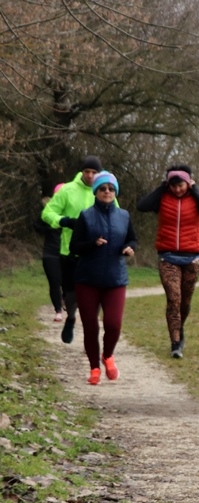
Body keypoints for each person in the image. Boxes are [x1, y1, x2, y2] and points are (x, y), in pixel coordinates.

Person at [137, 165, 199, 359]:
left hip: (193, 257)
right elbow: (142, 206)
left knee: (185, 301)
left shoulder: (197, 198)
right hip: (168, 256)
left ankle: (179, 328)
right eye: (173, 185)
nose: (177, 189)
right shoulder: (162, 197)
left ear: (188, 183)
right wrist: (161, 188)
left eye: (181, 185)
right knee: (174, 298)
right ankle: (175, 342)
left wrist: (195, 189)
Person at [69, 171, 137, 385]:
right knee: (91, 327)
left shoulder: (124, 216)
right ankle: (94, 368)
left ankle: (107, 355)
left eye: (111, 189)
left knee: (113, 325)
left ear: (115, 192)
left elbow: (133, 239)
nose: (107, 192)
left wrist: (130, 248)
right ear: (96, 192)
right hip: (87, 279)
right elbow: (74, 247)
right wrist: (92, 244)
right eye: (102, 188)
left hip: (115, 279)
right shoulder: (85, 216)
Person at [41, 155, 107, 344]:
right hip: (70, 251)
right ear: (82, 172)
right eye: (87, 171)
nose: (90, 175)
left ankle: (91, 331)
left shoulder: (105, 189)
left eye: (94, 172)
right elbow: (47, 213)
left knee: (95, 294)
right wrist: (64, 221)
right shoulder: (68, 190)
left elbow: (116, 215)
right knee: (71, 295)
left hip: (96, 252)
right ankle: (70, 317)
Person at [33, 183, 65, 322]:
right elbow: (36, 226)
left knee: (68, 282)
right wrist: (49, 229)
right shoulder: (48, 211)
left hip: (68, 252)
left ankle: (66, 300)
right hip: (50, 251)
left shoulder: (73, 211)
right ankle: (58, 310)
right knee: (54, 281)